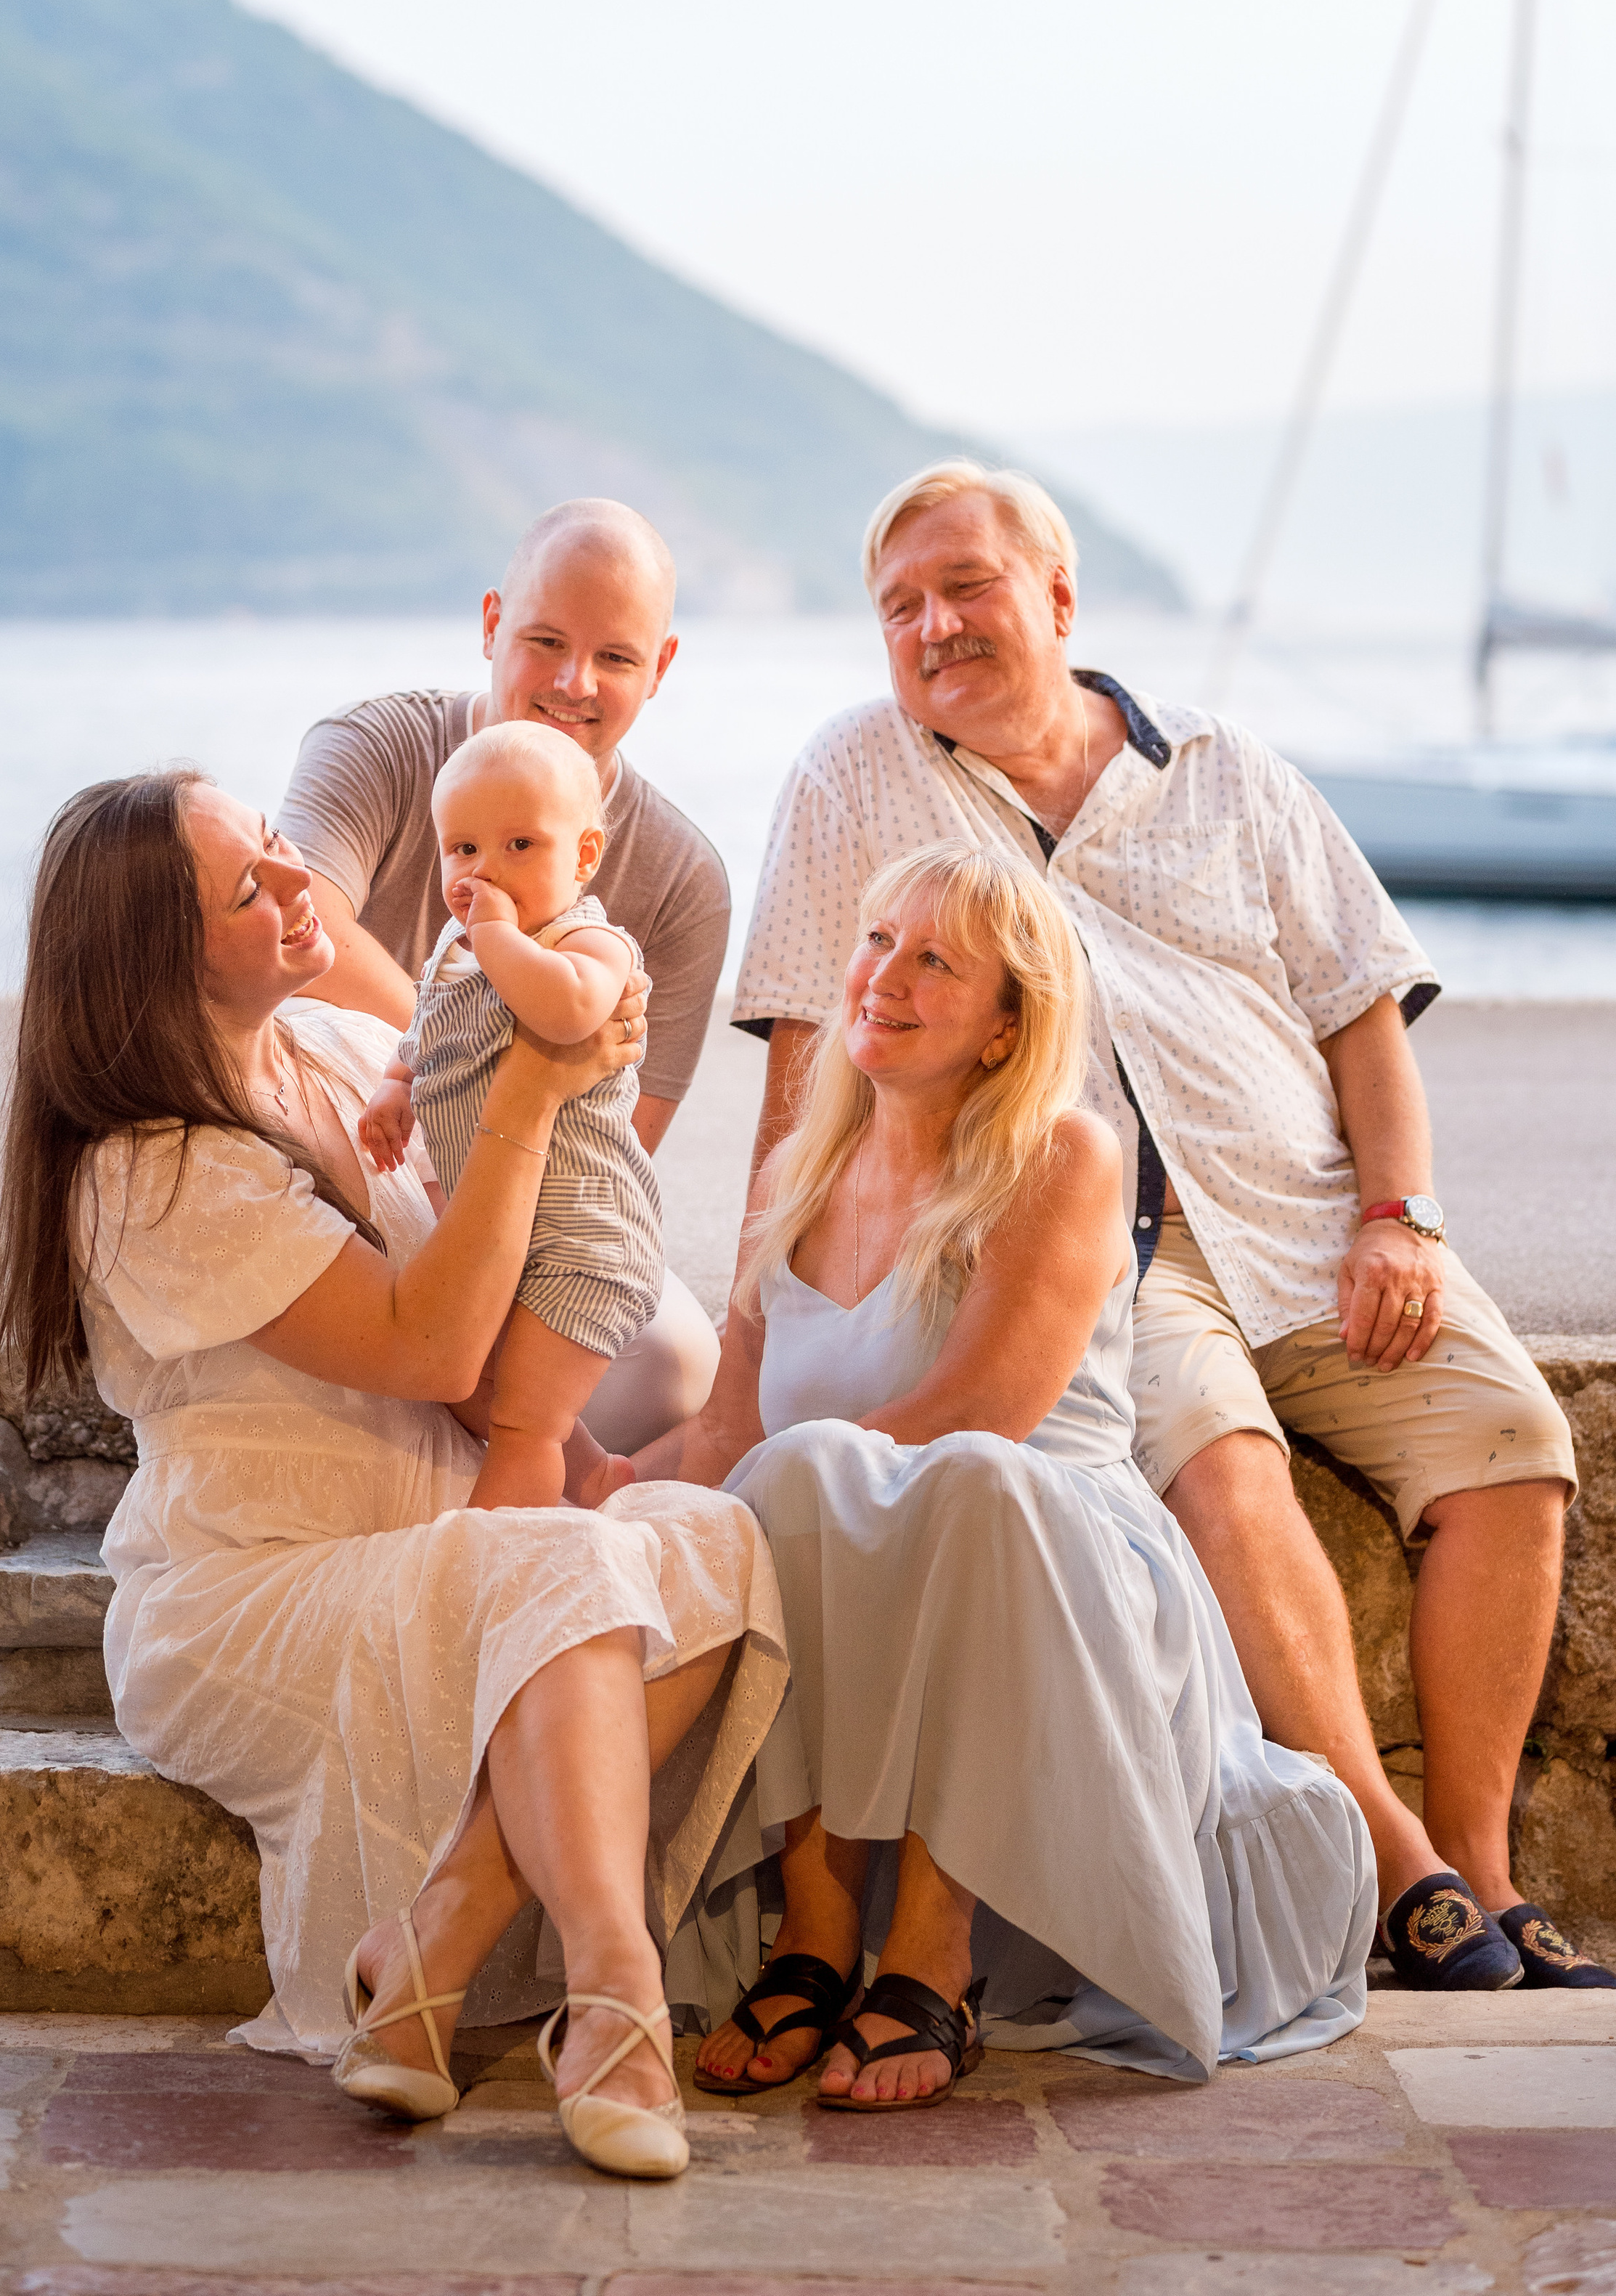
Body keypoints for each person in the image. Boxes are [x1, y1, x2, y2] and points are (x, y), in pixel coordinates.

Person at [732, 457, 1605, 1995]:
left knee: (1514, 1447)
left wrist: (1399, 1218)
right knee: (1216, 1460)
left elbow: (1359, 1016)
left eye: (965, 588)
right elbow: (812, 1050)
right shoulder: (849, 777)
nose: (932, 627)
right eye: (898, 608)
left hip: (1311, 1216)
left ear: (1056, 598)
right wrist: (765, 1288)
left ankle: (1484, 1865)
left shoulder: (1223, 768)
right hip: (1087, 1252)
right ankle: (1395, 1863)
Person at [0, 770, 786, 2179]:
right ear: (156, 961)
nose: (304, 888)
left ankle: (430, 1944)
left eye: (283, 851)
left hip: (459, 1542)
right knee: (559, 1563)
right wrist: (538, 1087)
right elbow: (429, 1342)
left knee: (708, 1537)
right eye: (252, 889)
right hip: (250, 1598)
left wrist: (585, 1455)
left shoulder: (342, 1053)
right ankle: (616, 1997)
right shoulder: (141, 1173)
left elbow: (491, 1364)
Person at [637, 841, 1371, 2096]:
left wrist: (793, 1470)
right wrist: (585, 1480)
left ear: (1003, 1028)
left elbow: (981, 1410)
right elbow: (727, 1437)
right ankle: (818, 1939)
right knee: (792, 1487)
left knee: (953, 1482)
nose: (885, 977)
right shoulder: (793, 1177)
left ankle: (935, 1954)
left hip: (1058, 1556)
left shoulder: (1067, 1155)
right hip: (872, 1555)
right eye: (878, 942)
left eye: (936, 962)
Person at [277, 496, 728, 1452]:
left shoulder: (685, 880)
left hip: (533, 1198)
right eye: (545, 640)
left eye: (616, 657)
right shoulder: (382, 748)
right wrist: (470, 1047)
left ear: (663, 667)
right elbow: (297, 931)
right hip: (350, 1152)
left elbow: (623, 1138)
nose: (575, 682)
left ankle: (512, 1483)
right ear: (491, 623)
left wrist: (486, 1178)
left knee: (674, 1357)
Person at [363, 722, 664, 1509]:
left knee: (525, 1422)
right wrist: (397, 1085)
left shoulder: (589, 943)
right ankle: (597, 1476)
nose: (483, 871)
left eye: (520, 845)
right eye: (462, 850)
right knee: (477, 1385)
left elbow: (569, 1017)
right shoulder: (458, 952)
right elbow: (427, 1026)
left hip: (582, 1239)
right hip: (506, 1233)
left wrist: (496, 933)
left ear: (585, 856)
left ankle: (496, 1567)